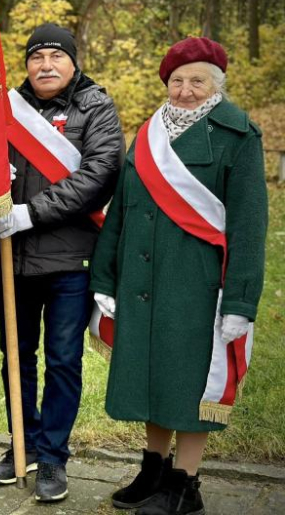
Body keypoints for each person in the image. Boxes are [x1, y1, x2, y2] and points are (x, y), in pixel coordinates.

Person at [90, 37, 267, 515]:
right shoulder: (148, 133)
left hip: (198, 288)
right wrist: (104, 280)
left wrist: (241, 302)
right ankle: (155, 468)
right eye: (177, 81)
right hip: (141, 284)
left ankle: (186, 486)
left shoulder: (238, 134)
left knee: (189, 383)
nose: (186, 90)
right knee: (152, 377)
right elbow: (121, 213)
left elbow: (250, 227)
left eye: (197, 81)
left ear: (216, 85)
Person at [0, 23, 124, 501]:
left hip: (71, 260)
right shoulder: (3, 108)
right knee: (16, 360)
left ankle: (52, 456)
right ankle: (21, 443)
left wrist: (31, 213)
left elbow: (100, 174)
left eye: (55, 56)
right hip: (12, 259)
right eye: (36, 57)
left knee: (63, 360)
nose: (45, 65)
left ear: (72, 61)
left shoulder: (96, 106)